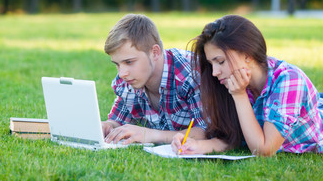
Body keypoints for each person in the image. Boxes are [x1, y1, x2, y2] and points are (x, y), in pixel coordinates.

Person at [172, 14, 323, 156]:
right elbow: (232, 138)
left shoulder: (289, 80)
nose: (215, 72)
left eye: (221, 61)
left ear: (247, 55)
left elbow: (264, 150)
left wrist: (239, 95)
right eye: (212, 64)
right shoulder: (229, 83)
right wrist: (198, 146)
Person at [101, 14, 206, 145]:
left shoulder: (189, 75)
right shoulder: (127, 81)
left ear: (155, 52)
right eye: (117, 64)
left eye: (129, 62)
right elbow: (118, 120)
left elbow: (205, 131)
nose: (122, 73)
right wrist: (108, 125)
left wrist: (150, 135)